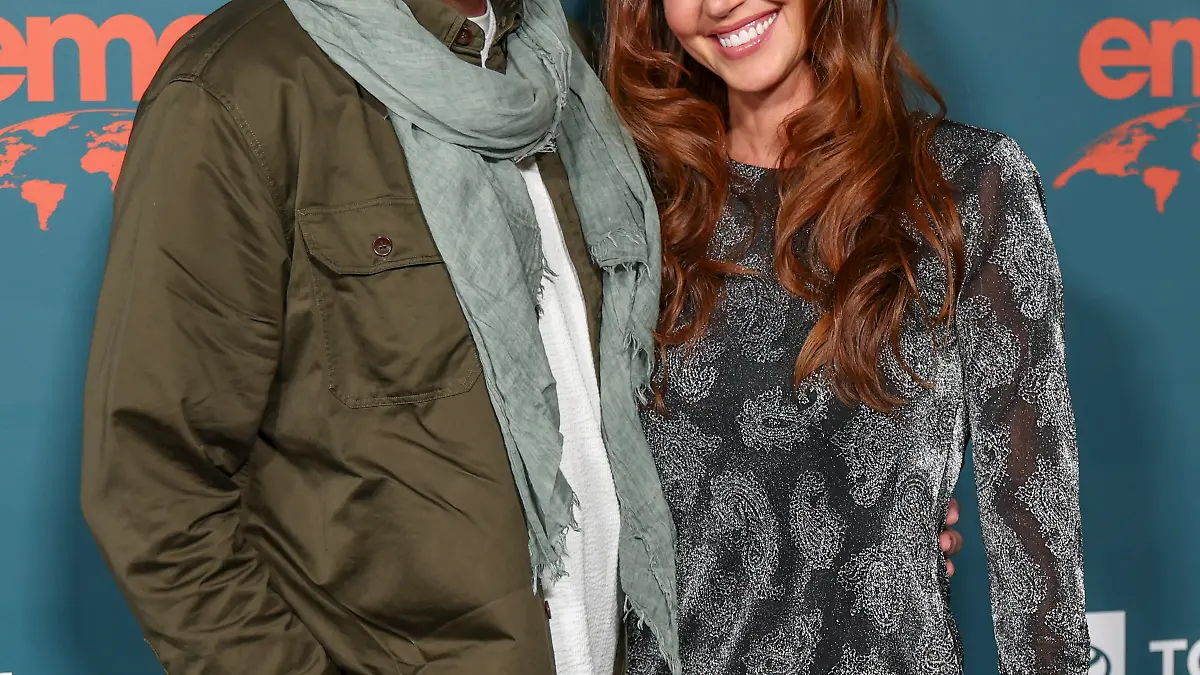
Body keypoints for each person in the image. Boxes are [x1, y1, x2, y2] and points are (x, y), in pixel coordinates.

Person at [79, 0, 966, 674]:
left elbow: (651, 396)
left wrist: (875, 502)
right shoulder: (244, 87)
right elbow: (155, 484)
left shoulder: (566, 79)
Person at [602, 0, 1090, 673]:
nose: (718, 5)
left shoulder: (965, 186)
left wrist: (903, 517)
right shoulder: (626, 206)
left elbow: (1037, 552)